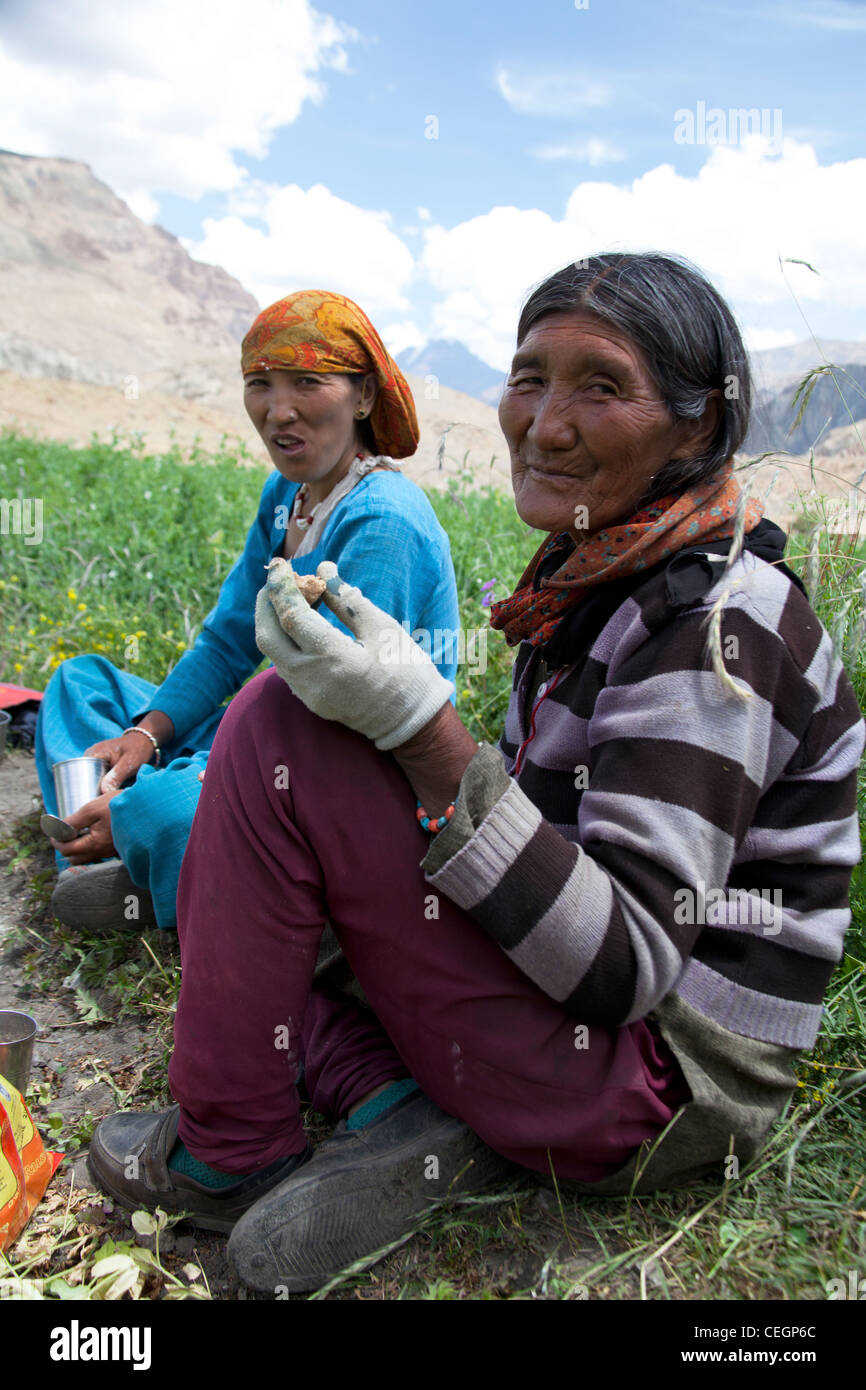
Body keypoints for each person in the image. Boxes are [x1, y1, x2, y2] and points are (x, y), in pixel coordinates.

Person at [88, 253, 864, 1296]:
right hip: (567, 1005)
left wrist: (420, 732)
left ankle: (229, 1144)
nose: (543, 423)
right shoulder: (597, 582)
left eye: (601, 386)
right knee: (266, 896)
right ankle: (396, 1101)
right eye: (529, 377)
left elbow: (625, 964)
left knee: (280, 733)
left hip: (651, 1083)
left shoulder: (718, 627)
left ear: (695, 428)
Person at [35, 289, 460, 932]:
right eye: (259, 383)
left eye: (307, 382)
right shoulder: (287, 493)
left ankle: (154, 854)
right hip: (268, 724)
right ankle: (145, 844)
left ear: (364, 396)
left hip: (347, 764)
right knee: (80, 684)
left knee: (165, 808)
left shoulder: (384, 521)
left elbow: (333, 709)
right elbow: (230, 638)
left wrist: (191, 776)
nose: (278, 409)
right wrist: (147, 736)